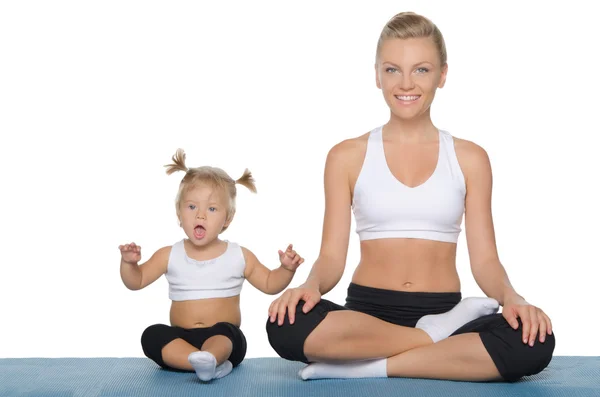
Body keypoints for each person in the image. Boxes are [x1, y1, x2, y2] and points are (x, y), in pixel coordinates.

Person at [266, 11, 555, 382]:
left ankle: (368, 367)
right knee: (284, 326)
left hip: (442, 306)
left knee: (534, 342)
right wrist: (308, 286)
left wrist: (513, 298)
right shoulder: (345, 156)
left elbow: (485, 260)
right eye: (392, 70)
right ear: (376, 75)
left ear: (442, 75)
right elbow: (332, 257)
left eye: (421, 70)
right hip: (364, 317)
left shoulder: (470, 158)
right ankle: (428, 340)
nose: (406, 83)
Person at [119, 148, 304, 382]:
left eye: (212, 208)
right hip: (181, 338)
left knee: (229, 336)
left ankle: (209, 358)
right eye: (192, 207)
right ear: (179, 212)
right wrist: (129, 264)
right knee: (152, 335)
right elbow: (136, 281)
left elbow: (269, 283)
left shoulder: (238, 255)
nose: (201, 216)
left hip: (223, 335)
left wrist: (286, 269)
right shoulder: (169, 254)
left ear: (227, 219)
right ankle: (202, 363)